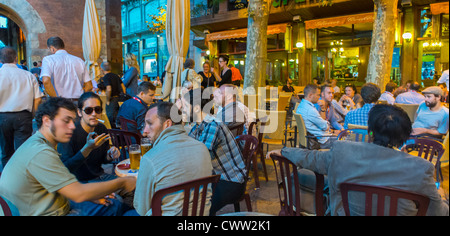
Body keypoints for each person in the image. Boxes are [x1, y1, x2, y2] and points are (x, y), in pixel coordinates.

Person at [269, 104, 449, 216]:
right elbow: (438, 212)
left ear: (369, 132)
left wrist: (284, 150)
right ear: (404, 138)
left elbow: (309, 157)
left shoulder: (342, 151)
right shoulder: (421, 168)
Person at [0, 97, 136, 216]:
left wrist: (89, 197)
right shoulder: (40, 152)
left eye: (72, 121)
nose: (72, 126)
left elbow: (60, 186)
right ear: (46, 120)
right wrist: (123, 182)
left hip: (56, 202)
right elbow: (78, 192)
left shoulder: (37, 143)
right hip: (49, 212)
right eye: (66, 121)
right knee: (117, 206)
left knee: (113, 203)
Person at [132, 102, 213, 216]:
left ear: (167, 124)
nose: (144, 131)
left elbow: (141, 208)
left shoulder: (150, 159)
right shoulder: (202, 148)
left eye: (149, 124)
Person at [185, 89, 247, 215]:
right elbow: (187, 147)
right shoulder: (199, 125)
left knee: (196, 209)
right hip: (216, 178)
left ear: (196, 109)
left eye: (186, 106)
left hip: (231, 182)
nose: (182, 110)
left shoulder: (213, 125)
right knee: (186, 199)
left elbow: (200, 160)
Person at [57, 92, 121, 182]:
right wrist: (87, 148)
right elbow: (65, 168)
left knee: (132, 185)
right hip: (80, 183)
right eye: (88, 110)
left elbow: (104, 160)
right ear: (79, 112)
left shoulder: (101, 128)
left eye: (97, 109)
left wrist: (110, 155)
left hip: (100, 177)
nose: (94, 114)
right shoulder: (69, 133)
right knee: (116, 195)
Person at [0, 47, 44, 169]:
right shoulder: (28, 75)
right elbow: (38, 98)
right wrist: (33, 114)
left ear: (1, 60)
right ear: (16, 58)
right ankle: (23, 178)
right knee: (23, 150)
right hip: (23, 115)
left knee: (5, 150)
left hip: (2, 116)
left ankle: (7, 178)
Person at [40, 37, 93, 101]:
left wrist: (56, 100)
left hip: (59, 101)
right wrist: (81, 98)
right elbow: (89, 85)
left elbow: (46, 81)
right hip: (77, 100)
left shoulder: (48, 59)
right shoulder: (79, 60)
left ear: (52, 48)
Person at [295, 84, 337, 149]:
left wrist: (323, 108)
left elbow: (322, 124)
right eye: (318, 95)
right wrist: (332, 131)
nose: (319, 97)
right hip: (321, 141)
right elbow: (325, 127)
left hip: (312, 138)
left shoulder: (301, 106)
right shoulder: (310, 110)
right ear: (310, 95)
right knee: (346, 141)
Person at [100, 62, 125, 129]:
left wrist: (108, 100)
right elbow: (123, 87)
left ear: (102, 69)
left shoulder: (106, 77)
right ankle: (118, 134)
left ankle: (113, 135)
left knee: (110, 118)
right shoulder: (116, 76)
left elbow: (109, 88)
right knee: (117, 119)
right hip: (118, 99)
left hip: (112, 99)